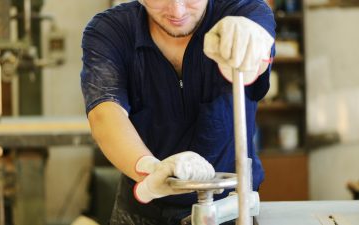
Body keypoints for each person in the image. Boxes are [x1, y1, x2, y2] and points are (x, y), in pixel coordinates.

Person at [80, 0, 275, 224]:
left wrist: (247, 44)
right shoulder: (110, 30)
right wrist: (150, 170)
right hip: (143, 209)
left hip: (229, 209)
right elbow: (106, 114)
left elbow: (256, 60)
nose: (177, 11)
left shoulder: (245, 10)